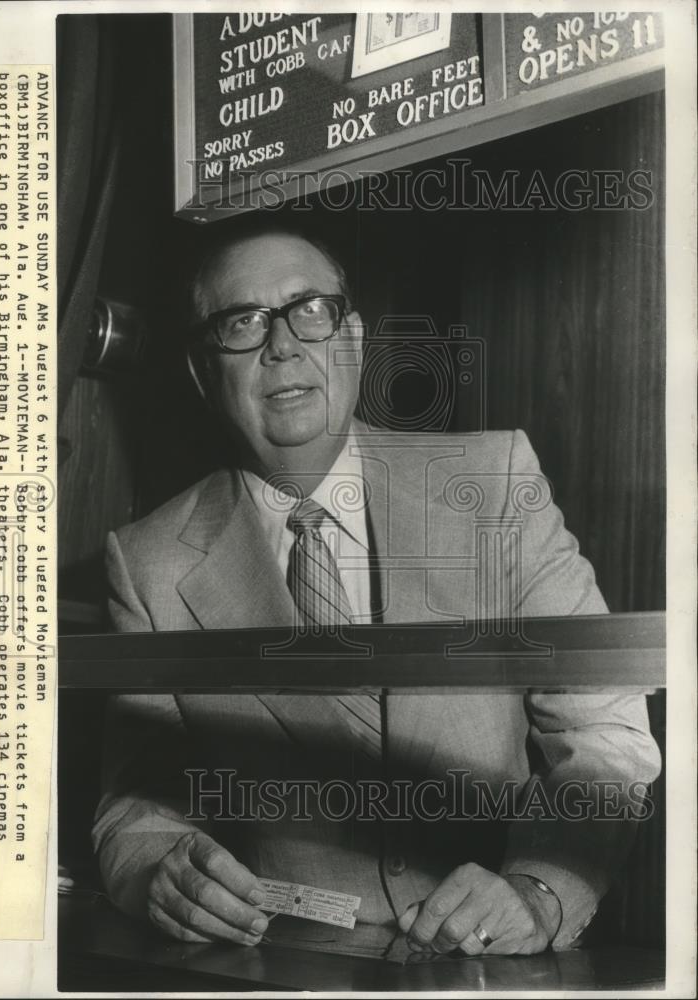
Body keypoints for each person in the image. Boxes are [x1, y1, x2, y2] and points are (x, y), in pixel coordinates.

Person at [93, 220, 660, 957]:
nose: (283, 346)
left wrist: (541, 891)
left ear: (352, 340)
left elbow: (606, 734)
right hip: (289, 966)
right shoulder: (146, 562)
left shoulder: (490, 484)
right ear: (204, 373)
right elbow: (136, 804)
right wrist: (156, 873)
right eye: (242, 323)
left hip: (494, 966)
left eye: (311, 311)